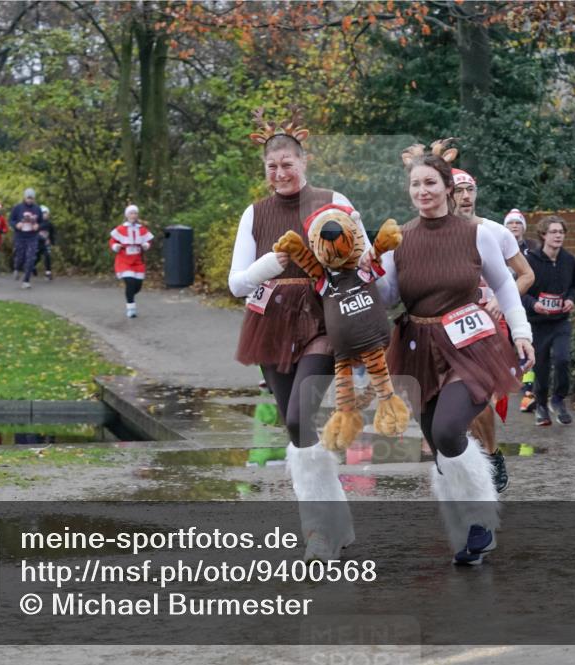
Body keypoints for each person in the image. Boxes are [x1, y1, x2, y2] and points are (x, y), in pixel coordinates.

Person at [376, 146, 534, 565]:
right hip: (418, 349)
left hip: (471, 345)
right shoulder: (397, 241)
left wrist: (521, 333)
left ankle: (483, 518)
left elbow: (504, 287)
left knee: (448, 430)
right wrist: (358, 273)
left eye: (431, 182)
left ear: (448, 188)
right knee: (439, 442)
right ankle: (467, 529)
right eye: (416, 184)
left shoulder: (477, 233)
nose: (423, 191)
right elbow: (387, 296)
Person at [228, 108, 354, 561]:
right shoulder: (255, 212)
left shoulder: (332, 199)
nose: (280, 173)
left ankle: (318, 532)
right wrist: (270, 266)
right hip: (270, 323)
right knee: (295, 428)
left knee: (301, 417)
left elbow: (361, 260)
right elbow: (236, 282)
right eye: (271, 167)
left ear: (304, 162)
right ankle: (332, 519)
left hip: (321, 318)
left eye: (288, 164)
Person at [451, 168, 535, 493]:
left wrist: (504, 297)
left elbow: (526, 274)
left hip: (486, 328)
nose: (466, 196)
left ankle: (491, 453)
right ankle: (469, 459)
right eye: (459, 189)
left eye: (471, 189)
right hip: (446, 329)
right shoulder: (432, 234)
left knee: (478, 395)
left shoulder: (495, 231)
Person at [522, 215, 575, 426]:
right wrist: (533, 304)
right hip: (537, 323)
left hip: (560, 321)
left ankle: (558, 399)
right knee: (542, 366)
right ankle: (540, 404)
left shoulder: (570, 261)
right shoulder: (530, 261)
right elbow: (520, 291)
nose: (558, 236)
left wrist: (571, 300)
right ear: (543, 235)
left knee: (563, 358)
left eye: (561, 232)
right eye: (554, 232)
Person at [504, 208, 539, 412]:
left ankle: (528, 392)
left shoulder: (533, 248)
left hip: (526, 303)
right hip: (503, 304)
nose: (515, 226)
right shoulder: (497, 245)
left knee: (526, 345)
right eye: (511, 223)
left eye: (518, 223)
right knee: (506, 346)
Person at [109, 205, 153, 318]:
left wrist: (146, 245)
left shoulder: (141, 228)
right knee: (130, 283)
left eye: (135, 213)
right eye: (131, 213)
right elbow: (112, 241)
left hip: (138, 262)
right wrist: (115, 246)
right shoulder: (120, 229)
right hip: (124, 261)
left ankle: (129, 295)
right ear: (126, 215)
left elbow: (148, 240)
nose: (133, 215)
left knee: (137, 287)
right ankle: (131, 309)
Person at [9, 188, 44, 289]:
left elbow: (42, 222)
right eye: (28, 198)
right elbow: (11, 220)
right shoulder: (18, 208)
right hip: (20, 236)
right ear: (24, 197)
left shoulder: (37, 209)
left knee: (31, 257)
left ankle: (26, 280)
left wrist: (38, 226)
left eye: (32, 198)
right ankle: (16, 268)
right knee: (20, 256)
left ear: (34, 198)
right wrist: (16, 225)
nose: (30, 200)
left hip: (32, 237)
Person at [36, 205, 56, 280]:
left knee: (47, 256)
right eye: (43, 213)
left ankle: (48, 272)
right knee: (36, 257)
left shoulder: (50, 224)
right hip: (38, 244)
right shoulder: (37, 224)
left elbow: (52, 233)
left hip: (46, 244)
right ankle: (32, 267)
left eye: (46, 213)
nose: (45, 215)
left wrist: (52, 241)